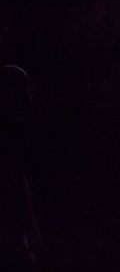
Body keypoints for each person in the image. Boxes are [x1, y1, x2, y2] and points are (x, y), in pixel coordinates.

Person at [0, 65, 42, 271]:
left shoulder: (15, 127)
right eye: (24, 90)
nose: (30, 97)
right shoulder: (13, 130)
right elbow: (16, 178)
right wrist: (30, 224)